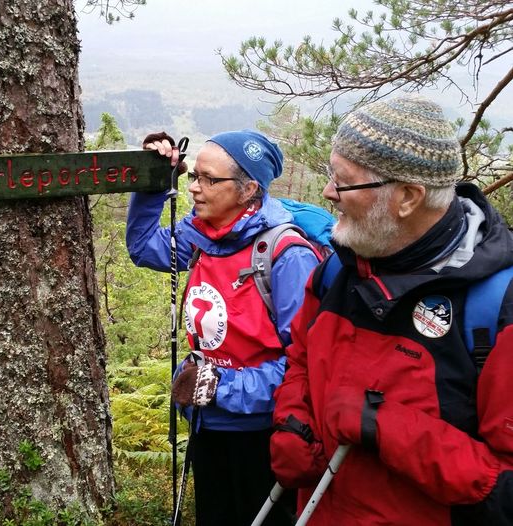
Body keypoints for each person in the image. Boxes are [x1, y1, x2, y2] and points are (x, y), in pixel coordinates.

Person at [270, 95, 513, 525]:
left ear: (406, 197)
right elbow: (301, 360)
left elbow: (505, 487)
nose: (328, 192)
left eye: (342, 181)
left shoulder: (496, 304)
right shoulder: (337, 271)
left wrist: (389, 429)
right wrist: (293, 420)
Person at [126, 129, 320, 526]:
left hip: (264, 435)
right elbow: (144, 247)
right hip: (207, 423)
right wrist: (155, 180)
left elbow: (308, 364)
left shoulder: (286, 256)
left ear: (249, 189)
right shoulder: (200, 235)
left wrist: (220, 387)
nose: (195, 187)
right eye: (193, 175)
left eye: (208, 179)